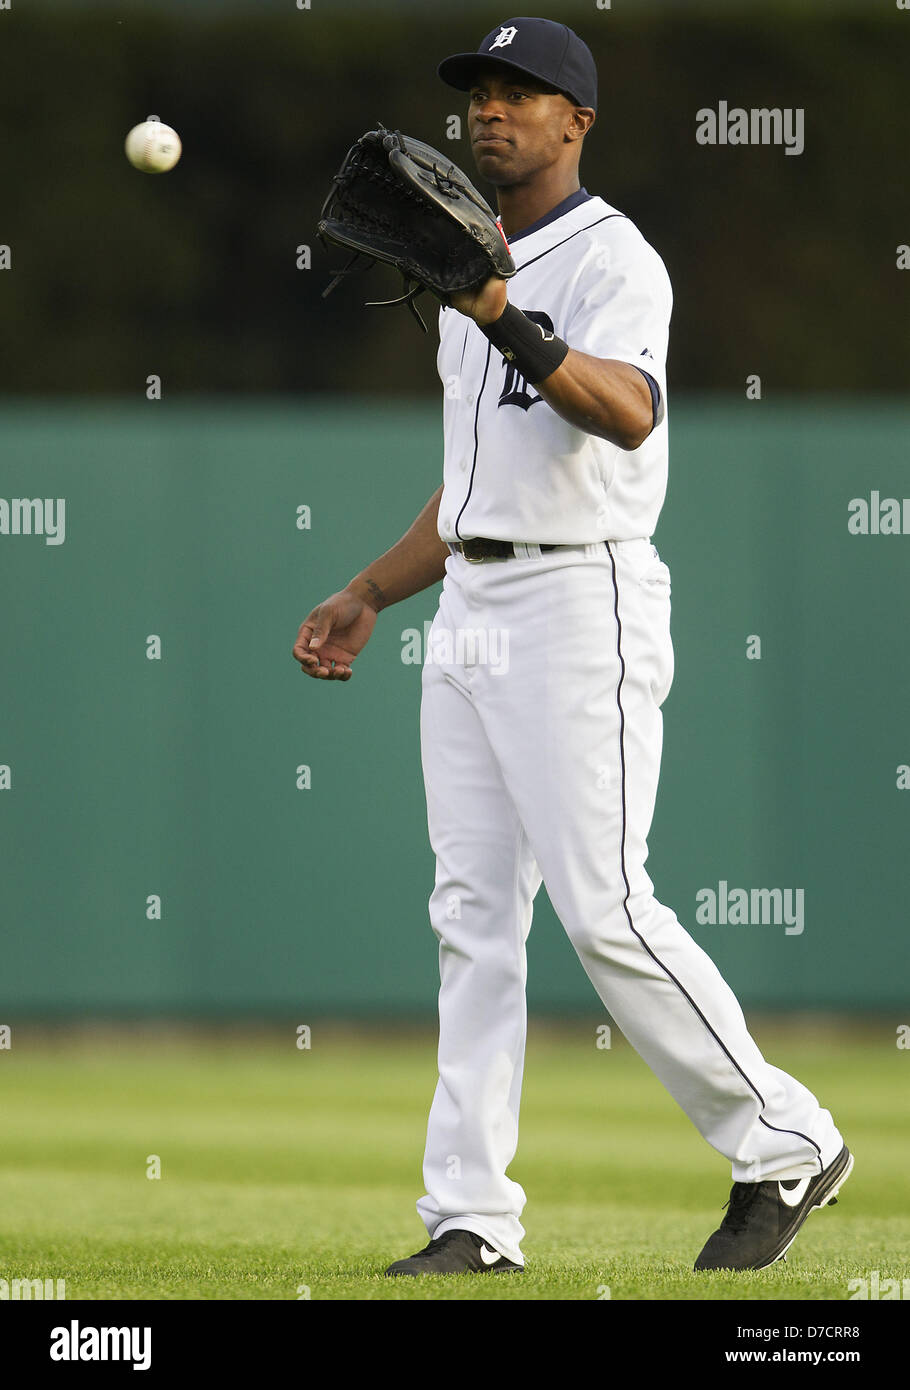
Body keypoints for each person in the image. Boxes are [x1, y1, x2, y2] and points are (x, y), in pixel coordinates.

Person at [292, 17, 851, 1277]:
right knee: (472, 916)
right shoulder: (459, 275)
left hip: (579, 603)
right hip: (472, 613)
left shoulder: (615, 259)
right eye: (479, 94)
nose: (491, 113)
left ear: (575, 122)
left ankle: (786, 1138)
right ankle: (473, 1220)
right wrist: (370, 590)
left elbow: (628, 414)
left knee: (604, 906)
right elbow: (473, 487)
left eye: (520, 94)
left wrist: (497, 307)